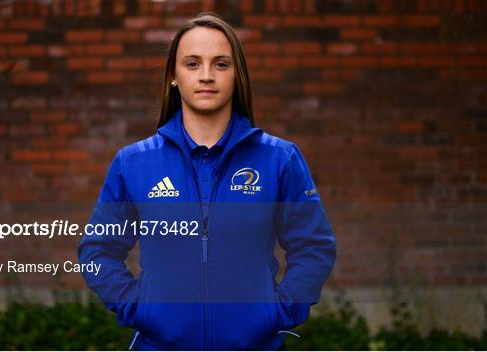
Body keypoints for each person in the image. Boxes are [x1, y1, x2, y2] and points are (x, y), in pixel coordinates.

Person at [77, 12, 337, 351]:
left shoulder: (279, 159)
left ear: (236, 75)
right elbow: (97, 250)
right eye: (192, 63)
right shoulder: (134, 162)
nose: (206, 76)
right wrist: (138, 307)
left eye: (221, 64)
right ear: (174, 76)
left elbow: (314, 246)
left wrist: (279, 310)